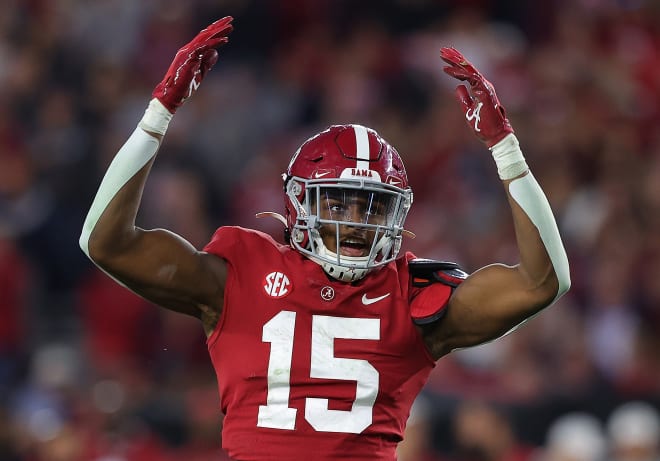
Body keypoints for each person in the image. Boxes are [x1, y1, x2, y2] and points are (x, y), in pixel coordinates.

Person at [79, 16, 570, 461]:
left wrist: (506, 149)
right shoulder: (239, 275)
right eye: (338, 203)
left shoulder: (416, 301)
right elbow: (105, 242)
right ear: (299, 203)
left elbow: (544, 282)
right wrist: (157, 114)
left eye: (373, 205)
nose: (355, 222)